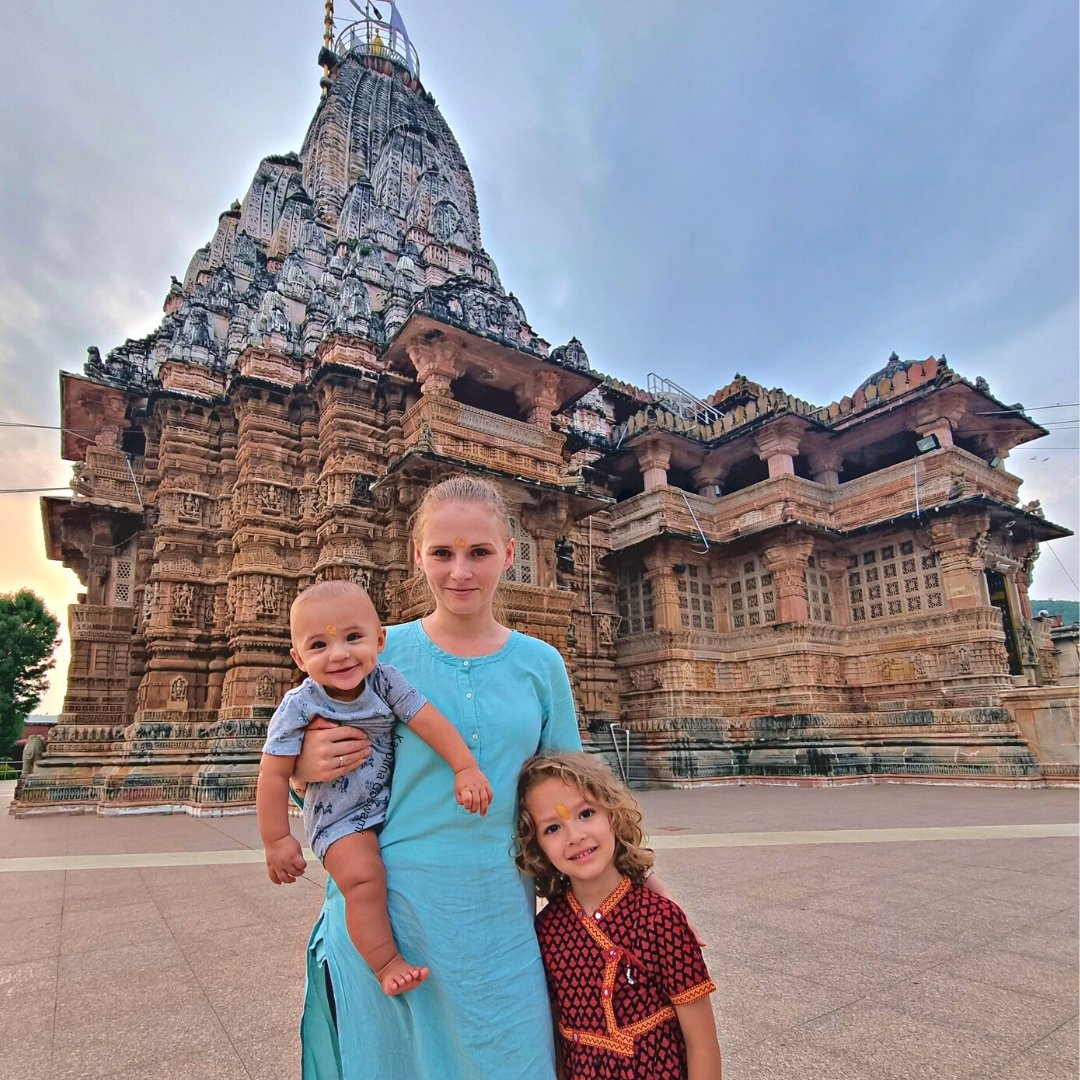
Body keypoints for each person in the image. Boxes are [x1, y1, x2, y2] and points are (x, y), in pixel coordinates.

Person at [293, 475, 583, 1079]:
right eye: (442, 553)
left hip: (499, 908)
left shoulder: (539, 664)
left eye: (479, 553)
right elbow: (302, 757)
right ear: (415, 555)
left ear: (509, 553)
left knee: (514, 1057)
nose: (461, 572)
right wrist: (304, 765)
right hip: (390, 915)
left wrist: (632, 879)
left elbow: (570, 791)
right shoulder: (373, 652)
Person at [256, 579, 493, 995]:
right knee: (364, 880)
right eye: (319, 646)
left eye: (353, 638)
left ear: (379, 640)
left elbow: (428, 720)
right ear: (297, 657)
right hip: (340, 820)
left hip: (393, 807)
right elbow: (273, 773)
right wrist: (277, 839)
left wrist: (465, 767)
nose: (340, 653)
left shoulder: (385, 681)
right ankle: (385, 962)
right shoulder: (299, 706)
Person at [515, 752, 723, 1080]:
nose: (575, 835)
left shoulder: (660, 920)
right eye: (553, 827)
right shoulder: (547, 930)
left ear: (612, 815)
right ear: (537, 845)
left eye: (586, 813)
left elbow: (702, 1044)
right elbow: (555, 1038)